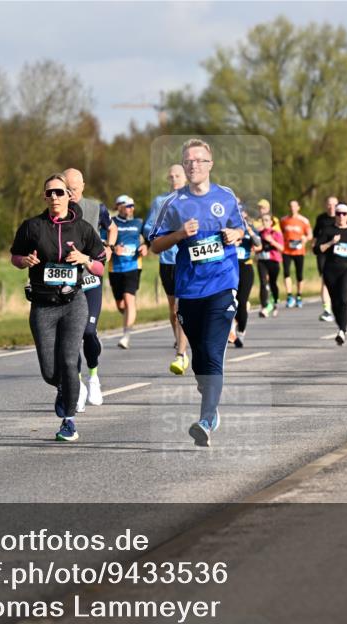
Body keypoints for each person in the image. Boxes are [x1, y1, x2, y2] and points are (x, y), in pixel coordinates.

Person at [149, 138, 246, 447]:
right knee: (201, 358)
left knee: (213, 352)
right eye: (188, 161)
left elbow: (241, 229)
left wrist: (234, 233)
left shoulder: (226, 196)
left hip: (222, 284)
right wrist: (179, 234)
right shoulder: (172, 203)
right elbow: (155, 245)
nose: (193, 165)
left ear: (210, 164)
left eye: (199, 160)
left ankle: (205, 420)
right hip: (189, 290)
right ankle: (209, 394)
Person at [11, 173, 107, 442]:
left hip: (74, 303)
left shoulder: (83, 229)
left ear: (69, 196)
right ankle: (63, 388)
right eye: (49, 192)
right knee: (50, 371)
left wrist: (85, 259)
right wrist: (24, 261)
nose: (54, 197)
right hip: (43, 306)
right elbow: (14, 257)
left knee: (68, 360)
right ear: (44, 197)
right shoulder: (32, 227)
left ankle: (69, 421)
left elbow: (100, 266)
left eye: (59, 192)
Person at [63, 168, 113, 411]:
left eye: (74, 188)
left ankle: (93, 377)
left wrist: (109, 246)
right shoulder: (56, 211)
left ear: (82, 185)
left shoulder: (96, 208)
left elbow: (111, 226)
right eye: (66, 188)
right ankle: (78, 386)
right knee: (70, 337)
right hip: (66, 284)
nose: (70, 193)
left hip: (91, 279)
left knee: (89, 332)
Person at [144, 165, 190, 375]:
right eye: (171, 176)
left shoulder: (192, 200)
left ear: (185, 177)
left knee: (182, 307)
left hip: (186, 260)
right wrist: (164, 233)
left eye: (178, 176)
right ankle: (179, 340)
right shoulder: (160, 201)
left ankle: (182, 352)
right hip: (167, 260)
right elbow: (148, 227)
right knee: (173, 309)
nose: (174, 179)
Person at [316, 203, 347, 345]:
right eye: (338, 213)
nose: (341, 216)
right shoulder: (328, 230)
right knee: (335, 302)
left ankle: (342, 330)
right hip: (331, 270)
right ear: (335, 215)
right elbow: (316, 249)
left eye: (344, 214)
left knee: (343, 299)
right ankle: (341, 326)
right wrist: (331, 242)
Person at [107, 195, 145, 350]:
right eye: (128, 206)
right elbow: (102, 241)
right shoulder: (110, 222)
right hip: (115, 268)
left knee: (129, 300)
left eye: (132, 206)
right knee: (121, 304)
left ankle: (126, 336)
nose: (131, 208)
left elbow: (149, 238)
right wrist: (112, 248)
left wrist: (145, 246)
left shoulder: (138, 223)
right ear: (118, 206)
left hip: (133, 266)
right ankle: (129, 316)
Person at [232, 219, 262, 347]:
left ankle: (241, 331)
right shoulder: (229, 229)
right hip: (231, 267)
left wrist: (250, 231)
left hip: (245, 267)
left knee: (242, 301)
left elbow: (258, 244)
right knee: (230, 300)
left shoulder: (250, 229)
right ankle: (231, 329)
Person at [279, 200, 311, 308]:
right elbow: (280, 233)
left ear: (298, 207)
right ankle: (289, 296)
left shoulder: (304, 220)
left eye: (294, 206)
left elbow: (310, 235)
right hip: (286, 250)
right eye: (291, 206)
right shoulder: (283, 220)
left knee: (299, 274)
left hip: (299, 251)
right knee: (286, 272)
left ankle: (299, 296)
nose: (292, 208)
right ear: (289, 208)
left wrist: (305, 239)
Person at [312, 196, 338, 322]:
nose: (331, 207)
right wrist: (314, 246)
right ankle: (327, 310)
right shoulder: (321, 218)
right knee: (324, 279)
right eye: (329, 204)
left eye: (334, 204)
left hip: (337, 253)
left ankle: (338, 303)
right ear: (326, 205)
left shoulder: (341, 217)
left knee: (337, 281)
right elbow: (315, 234)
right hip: (323, 252)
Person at [256, 214, 284, 317]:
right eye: (263, 220)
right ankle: (264, 307)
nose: (264, 222)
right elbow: (256, 246)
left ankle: (275, 303)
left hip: (273, 260)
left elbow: (282, 248)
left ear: (271, 222)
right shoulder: (259, 233)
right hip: (262, 260)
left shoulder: (276, 233)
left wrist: (271, 240)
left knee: (273, 283)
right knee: (263, 283)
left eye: (267, 220)